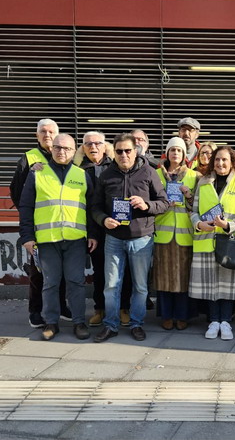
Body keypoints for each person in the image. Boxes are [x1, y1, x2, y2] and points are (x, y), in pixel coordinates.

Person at [91, 133, 169, 343]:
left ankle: (136, 324)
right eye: (119, 151)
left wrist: (147, 205)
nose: (123, 154)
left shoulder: (149, 172)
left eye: (128, 150)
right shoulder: (106, 175)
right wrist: (104, 219)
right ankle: (111, 325)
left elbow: (164, 202)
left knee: (141, 286)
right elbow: (95, 207)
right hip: (114, 238)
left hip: (141, 239)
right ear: (113, 153)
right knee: (111, 285)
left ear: (136, 151)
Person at [18, 134, 95, 341]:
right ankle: (51, 322)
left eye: (67, 149)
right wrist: (27, 236)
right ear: (51, 149)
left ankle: (79, 322)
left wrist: (93, 235)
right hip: (47, 240)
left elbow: (91, 209)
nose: (62, 152)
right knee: (50, 283)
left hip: (75, 239)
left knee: (76, 282)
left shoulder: (81, 175)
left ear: (74, 151)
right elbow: (26, 207)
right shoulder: (37, 174)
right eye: (58, 148)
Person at [9, 119, 70, 328]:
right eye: (43, 132)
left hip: (62, 225)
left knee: (61, 269)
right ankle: (35, 311)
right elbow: (17, 193)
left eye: (51, 131)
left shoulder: (65, 156)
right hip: (39, 227)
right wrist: (29, 223)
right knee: (38, 271)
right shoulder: (28, 159)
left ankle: (61, 306)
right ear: (37, 136)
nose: (47, 135)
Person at [189, 146, 235, 340]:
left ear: (232, 162)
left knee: (227, 284)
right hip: (206, 239)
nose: (220, 164)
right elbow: (194, 211)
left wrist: (228, 225)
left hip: (229, 241)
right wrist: (199, 223)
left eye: (224, 160)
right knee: (210, 284)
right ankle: (213, 320)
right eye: (217, 160)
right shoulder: (203, 182)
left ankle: (225, 321)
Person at [75, 132, 131, 328]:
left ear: (105, 145)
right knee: (99, 271)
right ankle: (100, 308)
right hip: (93, 227)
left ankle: (124, 308)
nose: (93, 147)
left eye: (97, 143)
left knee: (123, 271)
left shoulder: (114, 165)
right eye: (88, 144)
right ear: (83, 148)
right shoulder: (78, 170)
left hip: (118, 227)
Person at [153, 137, 199, 331]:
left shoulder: (194, 176)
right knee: (163, 277)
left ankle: (182, 316)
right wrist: (163, 204)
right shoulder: (154, 174)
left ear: (184, 155)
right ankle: (166, 315)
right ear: (167, 153)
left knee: (182, 277)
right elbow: (151, 202)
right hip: (162, 233)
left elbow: (198, 205)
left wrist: (188, 196)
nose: (175, 154)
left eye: (179, 151)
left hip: (184, 234)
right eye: (172, 150)